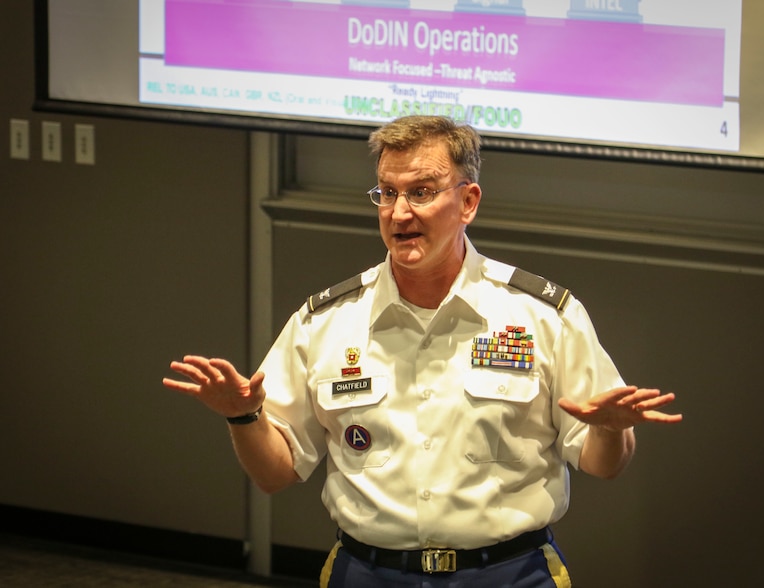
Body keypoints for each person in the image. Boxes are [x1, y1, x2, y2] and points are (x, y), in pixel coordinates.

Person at [163, 115, 682, 587]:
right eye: (387, 194)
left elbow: (602, 464)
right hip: (367, 573)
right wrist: (243, 417)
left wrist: (611, 429)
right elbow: (275, 473)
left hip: (509, 574)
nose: (400, 213)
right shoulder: (324, 322)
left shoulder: (544, 316)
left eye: (422, 192)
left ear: (468, 202)